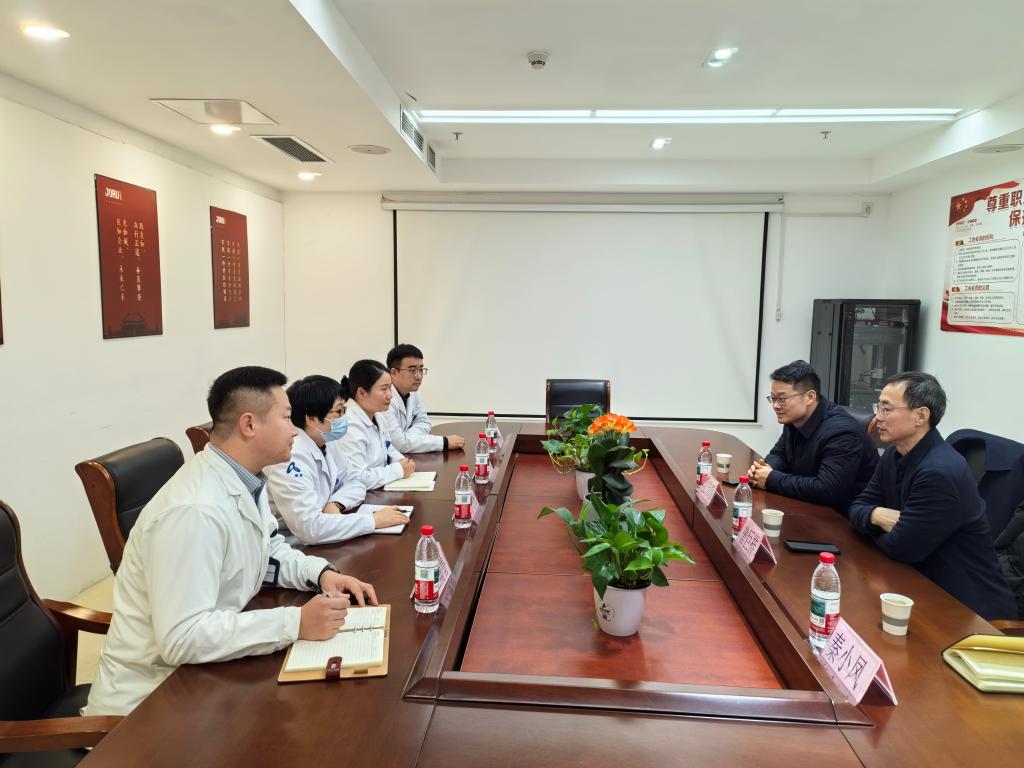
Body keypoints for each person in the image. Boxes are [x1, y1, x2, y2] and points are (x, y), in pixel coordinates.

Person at [83, 366, 377, 717]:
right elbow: (182, 638)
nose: (295, 430)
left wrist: (320, 574)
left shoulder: (245, 478)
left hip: (208, 670)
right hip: (150, 704)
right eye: (287, 417)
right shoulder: (194, 511)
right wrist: (295, 623)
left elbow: (266, 549)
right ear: (249, 425)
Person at [848, 372, 1015, 620]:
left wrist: (873, 526)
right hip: (917, 583)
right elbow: (857, 506)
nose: (877, 417)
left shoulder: (939, 472)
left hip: (967, 610)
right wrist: (877, 515)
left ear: (921, 416)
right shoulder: (894, 455)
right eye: (878, 407)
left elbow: (901, 548)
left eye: (886, 409)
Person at [265, 375, 410, 544]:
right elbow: (309, 528)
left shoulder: (326, 440)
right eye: (338, 412)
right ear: (311, 419)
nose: (344, 417)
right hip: (294, 543)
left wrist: (336, 503)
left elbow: (356, 480)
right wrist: (373, 521)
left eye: (344, 410)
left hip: (327, 529)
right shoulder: (291, 458)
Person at [747, 360, 878, 515]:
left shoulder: (842, 433)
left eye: (782, 399)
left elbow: (826, 489)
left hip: (842, 517)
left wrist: (771, 479)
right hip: (808, 505)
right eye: (773, 398)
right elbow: (780, 453)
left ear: (810, 397)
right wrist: (765, 469)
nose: (775, 406)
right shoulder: (794, 419)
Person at [332, 359, 415, 489]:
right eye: (384, 389)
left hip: (379, 489)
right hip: (359, 495)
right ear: (361, 392)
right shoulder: (349, 424)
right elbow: (357, 478)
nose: (390, 395)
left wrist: (402, 460)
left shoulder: (378, 415)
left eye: (390, 388)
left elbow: (388, 448)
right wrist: (398, 470)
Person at [383, 343, 465, 454]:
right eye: (412, 370)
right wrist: (444, 442)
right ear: (393, 373)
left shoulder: (413, 391)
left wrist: (407, 437)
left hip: (406, 456)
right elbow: (398, 444)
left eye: (421, 369)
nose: (418, 376)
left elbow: (424, 422)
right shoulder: (384, 399)